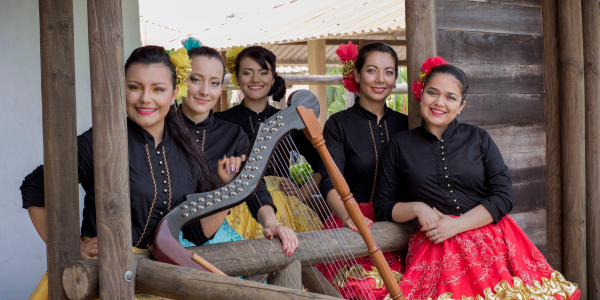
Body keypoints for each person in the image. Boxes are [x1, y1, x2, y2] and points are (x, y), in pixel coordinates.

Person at [20, 45, 263, 299]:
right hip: (102, 280)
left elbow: (196, 234)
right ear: (121, 90)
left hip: (160, 281)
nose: (145, 98)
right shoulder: (99, 142)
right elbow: (35, 188)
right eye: (135, 87)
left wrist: (228, 188)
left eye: (158, 89)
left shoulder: (187, 149)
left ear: (173, 94)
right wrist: (70, 247)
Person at [373, 57, 581, 300]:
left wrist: (455, 226)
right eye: (433, 93)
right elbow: (383, 206)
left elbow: (504, 196)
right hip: (437, 248)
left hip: (493, 242)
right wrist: (418, 208)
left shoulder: (479, 139)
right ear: (422, 94)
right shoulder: (400, 145)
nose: (439, 102)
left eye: (450, 97)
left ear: (461, 105)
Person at [176, 41, 297, 256]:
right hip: (162, 235)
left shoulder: (232, 134)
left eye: (214, 83)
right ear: (180, 80)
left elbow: (253, 186)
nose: (205, 91)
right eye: (195, 80)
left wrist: (271, 223)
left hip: (214, 234)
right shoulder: (161, 127)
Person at [316, 42, 408, 300]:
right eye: (372, 70)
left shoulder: (407, 124)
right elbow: (329, 182)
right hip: (353, 220)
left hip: (399, 220)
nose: (381, 79)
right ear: (356, 74)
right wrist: (349, 215)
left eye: (389, 72)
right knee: (366, 289)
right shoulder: (338, 124)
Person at [214, 45, 322, 239]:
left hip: (286, 208)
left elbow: (321, 164)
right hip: (237, 206)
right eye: (247, 73)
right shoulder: (221, 121)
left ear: (273, 78)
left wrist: (302, 193)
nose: (255, 79)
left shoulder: (289, 120)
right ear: (237, 78)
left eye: (263, 72)